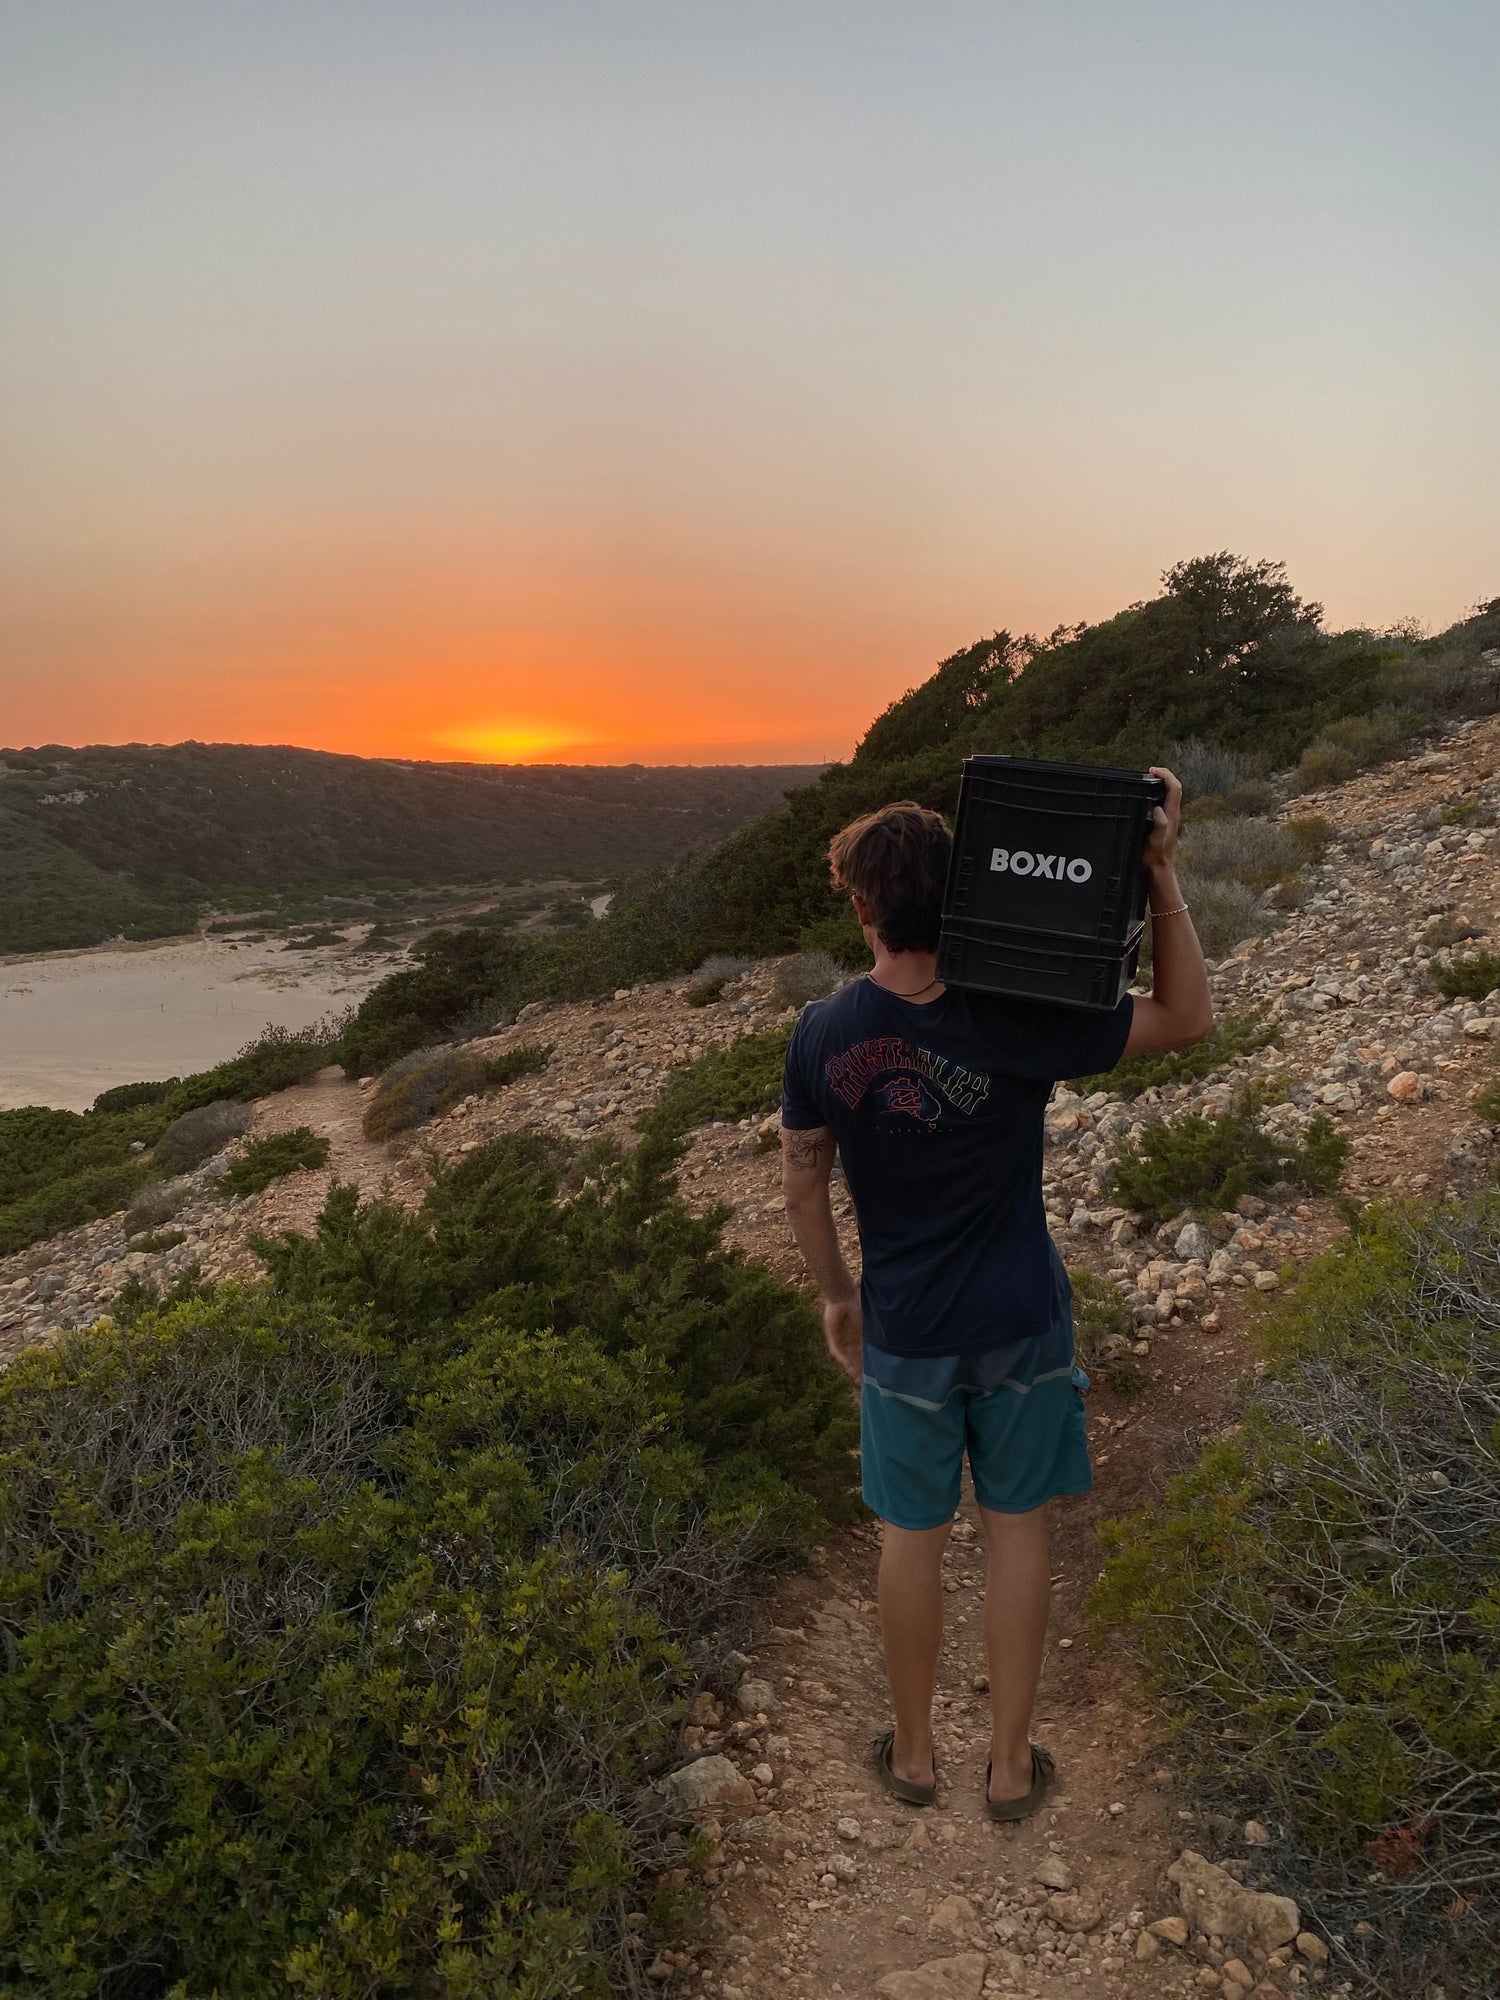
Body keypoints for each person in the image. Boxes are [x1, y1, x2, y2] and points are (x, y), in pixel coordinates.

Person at [779, 769, 1211, 1818]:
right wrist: (1159, 875)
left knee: (909, 1533)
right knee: (1018, 1527)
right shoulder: (1017, 1013)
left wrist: (840, 1296)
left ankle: (917, 1756)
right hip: (1020, 1316)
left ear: (863, 906)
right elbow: (1185, 1017)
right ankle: (1012, 1767)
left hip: (909, 1329)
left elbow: (801, 1177)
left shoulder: (823, 1032)